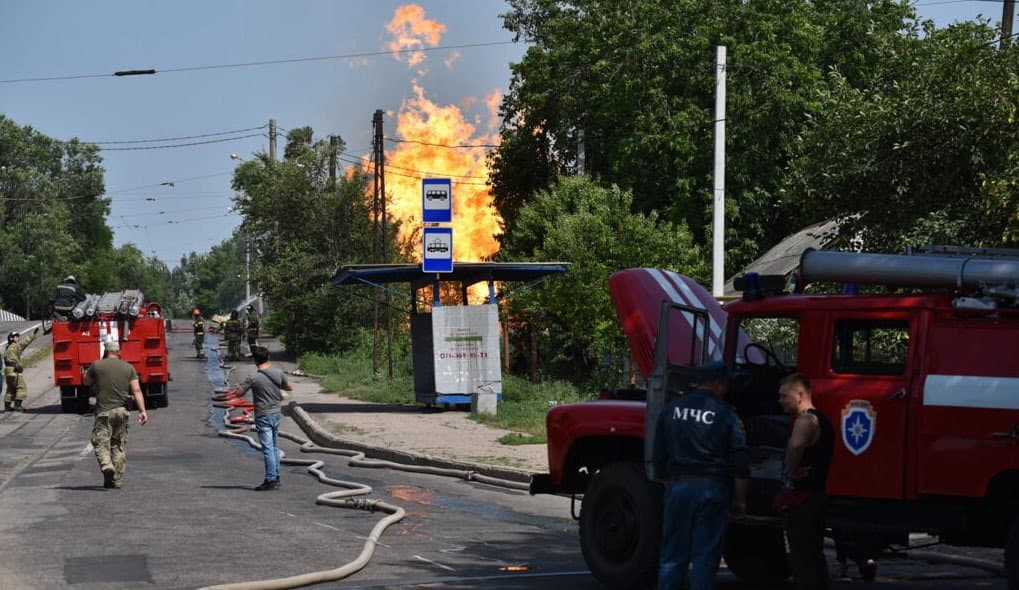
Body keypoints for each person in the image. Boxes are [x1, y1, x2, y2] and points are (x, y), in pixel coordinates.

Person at [653, 361, 750, 590]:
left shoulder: (671, 409)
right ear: (718, 383)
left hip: (679, 488)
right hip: (712, 490)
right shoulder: (726, 414)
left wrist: (671, 484)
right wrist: (740, 500)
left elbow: (658, 456)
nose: (726, 389)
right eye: (725, 384)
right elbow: (740, 461)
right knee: (705, 558)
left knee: (672, 557)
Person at [778, 373, 835, 590]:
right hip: (816, 497)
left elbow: (795, 445)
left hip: (803, 501)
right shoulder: (823, 420)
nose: (780, 401)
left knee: (802, 559)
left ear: (800, 394)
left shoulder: (806, 420)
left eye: (784, 396)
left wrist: (790, 471)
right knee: (813, 556)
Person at [223, 346, 292, 491]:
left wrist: (235, 390)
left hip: (263, 415)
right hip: (276, 414)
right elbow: (288, 387)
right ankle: (276, 476)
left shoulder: (253, 377)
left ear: (255, 361)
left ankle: (270, 480)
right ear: (268, 358)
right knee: (274, 447)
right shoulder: (278, 372)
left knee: (267, 449)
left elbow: (239, 394)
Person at [83, 340, 149, 489]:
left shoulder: (97, 365)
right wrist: (142, 411)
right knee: (118, 445)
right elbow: (137, 391)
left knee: (100, 442)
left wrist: (87, 374)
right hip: (122, 412)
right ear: (118, 352)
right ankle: (116, 480)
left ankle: (107, 466)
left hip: (104, 412)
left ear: (105, 351)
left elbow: (86, 382)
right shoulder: (128, 368)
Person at [3, 327, 39, 412]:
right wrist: (33, 335)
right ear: (12, 338)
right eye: (16, 337)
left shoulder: (7, 347)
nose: (18, 338)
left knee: (10, 388)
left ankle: (7, 406)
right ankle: (17, 405)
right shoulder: (16, 346)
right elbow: (25, 342)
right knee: (21, 387)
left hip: (8, 371)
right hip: (14, 370)